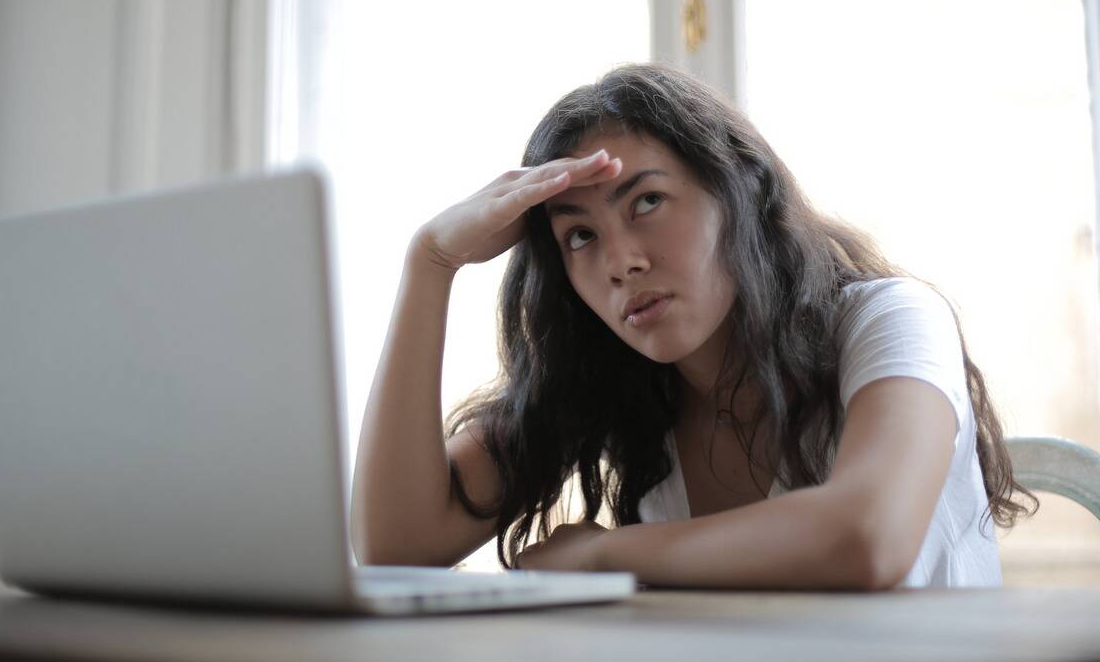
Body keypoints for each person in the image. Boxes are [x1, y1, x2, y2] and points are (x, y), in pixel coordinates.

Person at [351, 63, 1038, 590]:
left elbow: (869, 535)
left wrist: (601, 552)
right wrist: (430, 261)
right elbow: (396, 545)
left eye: (647, 200)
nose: (622, 261)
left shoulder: (890, 320)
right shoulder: (613, 378)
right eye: (581, 236)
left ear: (738, 190)